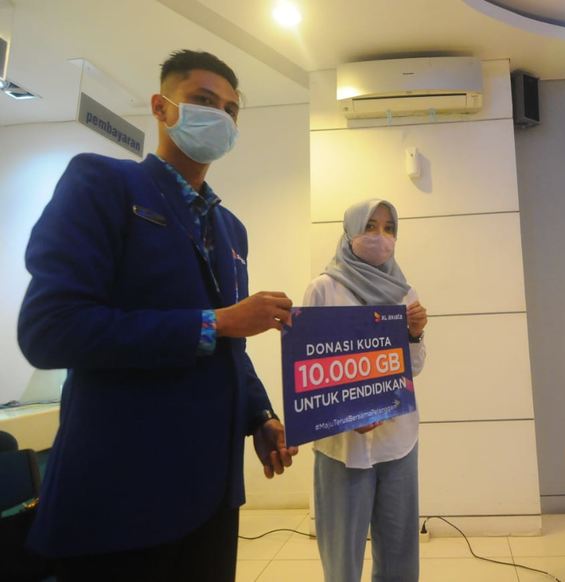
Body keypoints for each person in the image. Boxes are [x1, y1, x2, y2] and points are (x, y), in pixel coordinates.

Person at [17, 50, 298, 581]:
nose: (220, 117)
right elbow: (50, 329)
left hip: (213, 497)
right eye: (203, 101)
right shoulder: (104, 184)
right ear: (161, 107)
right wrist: (216, 322)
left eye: (231, 110)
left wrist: (260, 416)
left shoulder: (231, 229)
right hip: (121, 499)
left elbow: (231, 346)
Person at [303, 199, 428, 582]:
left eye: (389, 228)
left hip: (398, 441)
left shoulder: (404, 291)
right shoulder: (323, 289)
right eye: (370, 226)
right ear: (350, 231)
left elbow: (413, 367)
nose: (381, 236)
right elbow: (307, 373)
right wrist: (347, 416)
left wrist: (414, 334)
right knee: (342, 558)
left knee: (399, 555)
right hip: (343, 447)